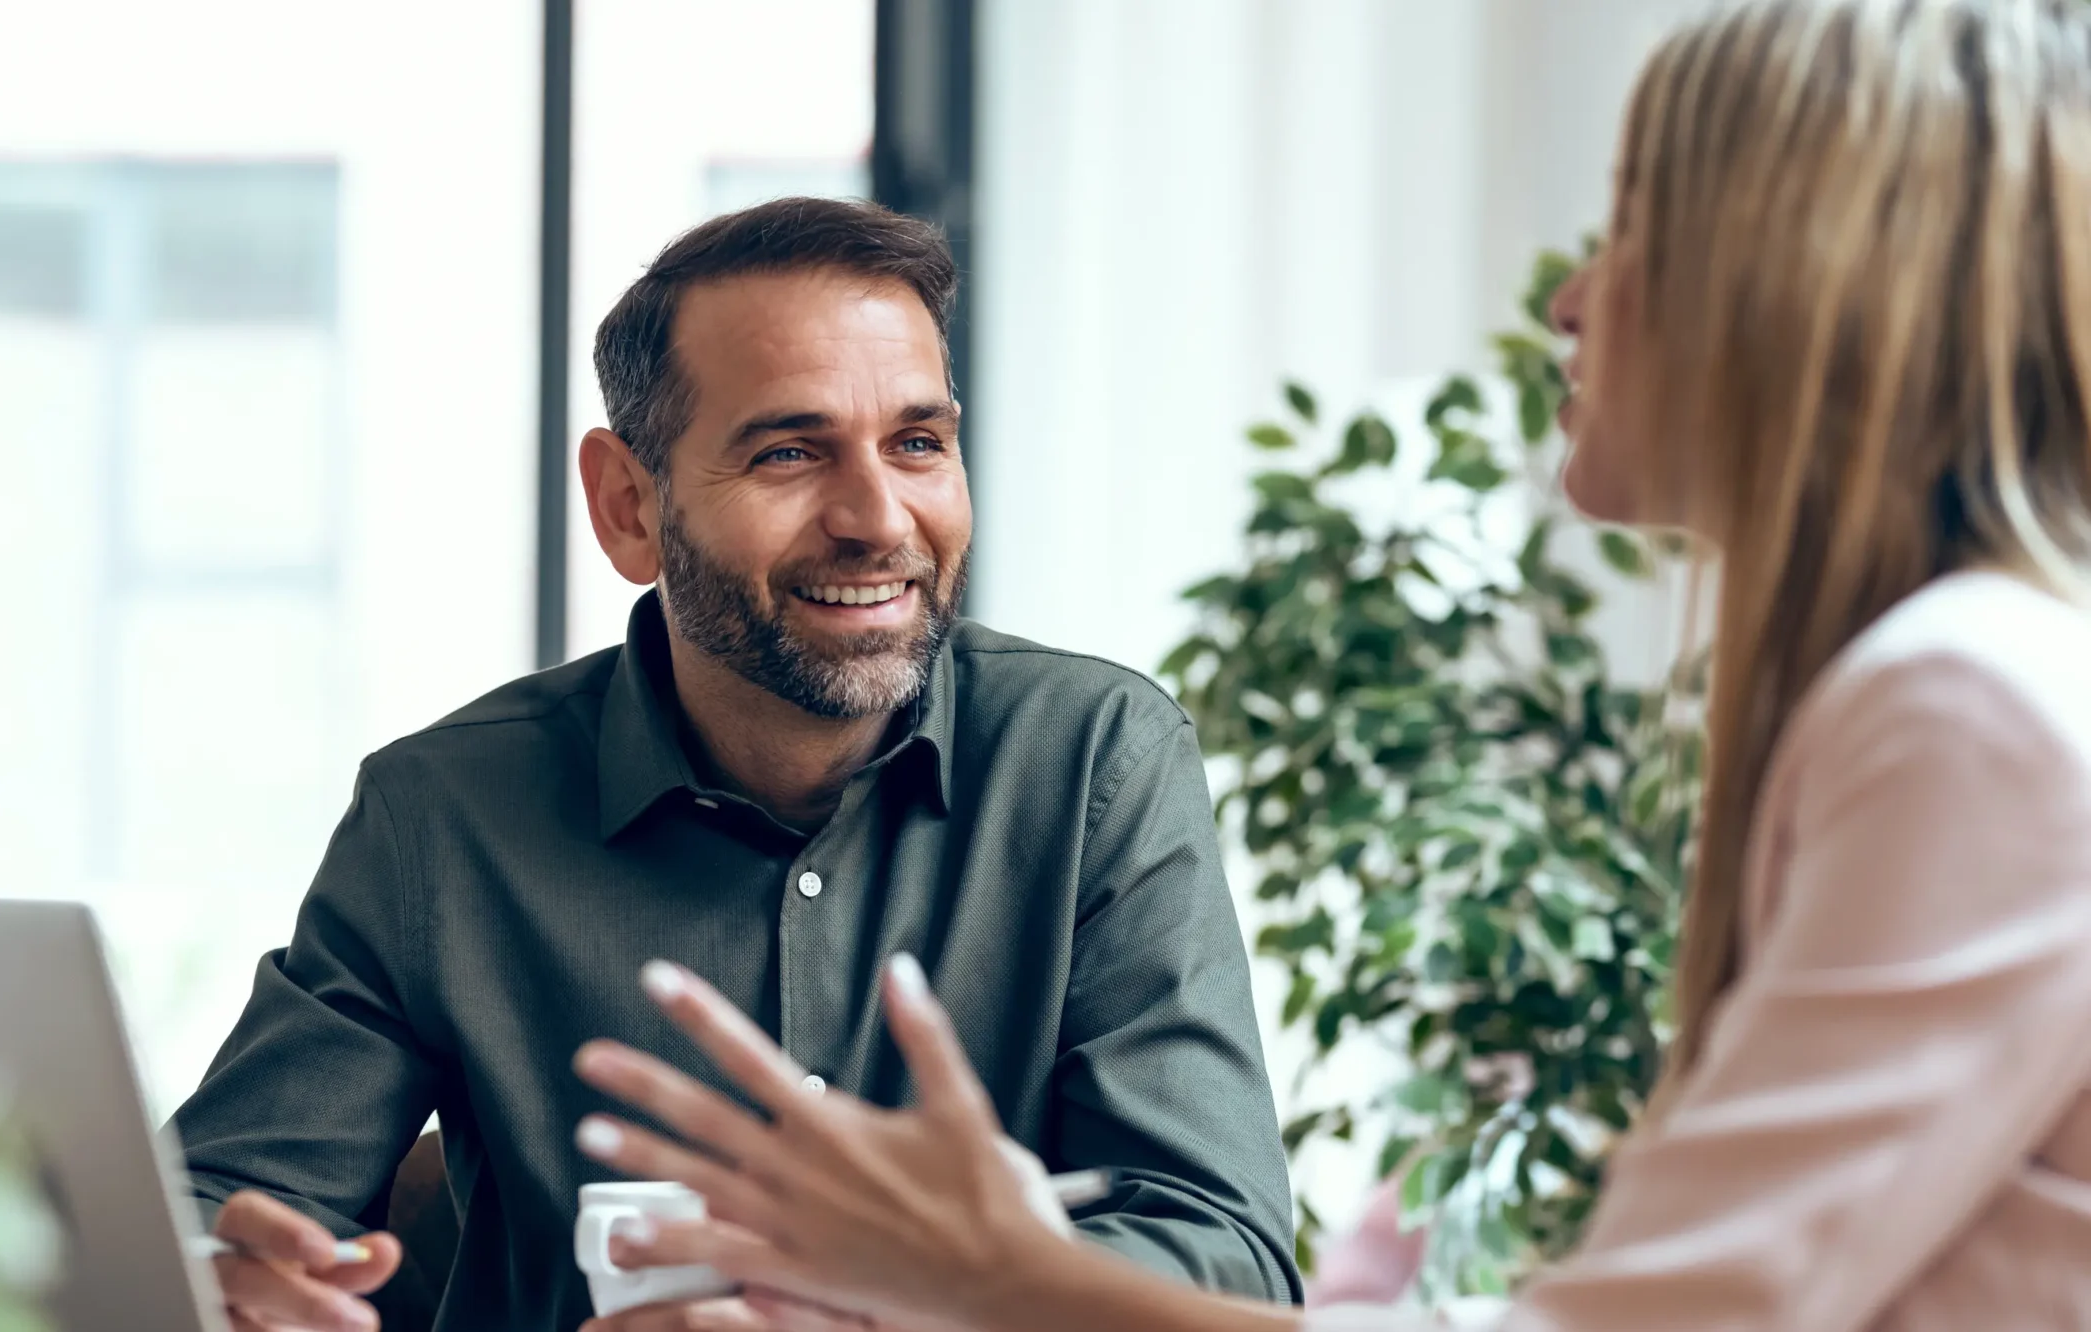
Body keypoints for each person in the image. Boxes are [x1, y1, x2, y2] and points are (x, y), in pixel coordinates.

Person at [565, 1, 2091, 1328]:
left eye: (1632, 225)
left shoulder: (1968, 709)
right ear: (630, 504)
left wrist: (988, 1281)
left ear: (1797, 281)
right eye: (788, 451)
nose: (1569, 297)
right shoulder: (1953, 689)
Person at [170, 195, 1301, 1332]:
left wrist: (931, 1296)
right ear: (628, 508)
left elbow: (1223, 1250)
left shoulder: (1096, 761)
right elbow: (210, 1206)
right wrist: (221, 1270)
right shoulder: (441, 814)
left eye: (918, 443)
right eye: (789, 452)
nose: (876, 518)